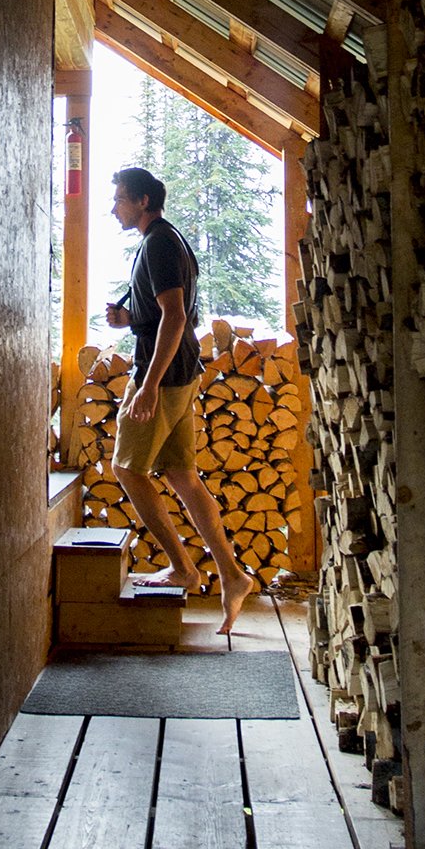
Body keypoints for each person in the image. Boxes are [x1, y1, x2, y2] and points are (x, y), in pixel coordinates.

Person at [106, 165, 255, 635]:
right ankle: (233, 577)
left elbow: (175, 317)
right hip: (179, 370)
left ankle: (184, 568)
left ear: (144, 201)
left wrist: (148, 385)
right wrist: (128, 318)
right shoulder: (164, 241)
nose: (115, 208)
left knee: (126, 469)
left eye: (121, 199)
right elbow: (165, 311)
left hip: (164, 374)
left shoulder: (160, 244)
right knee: (181, 474)